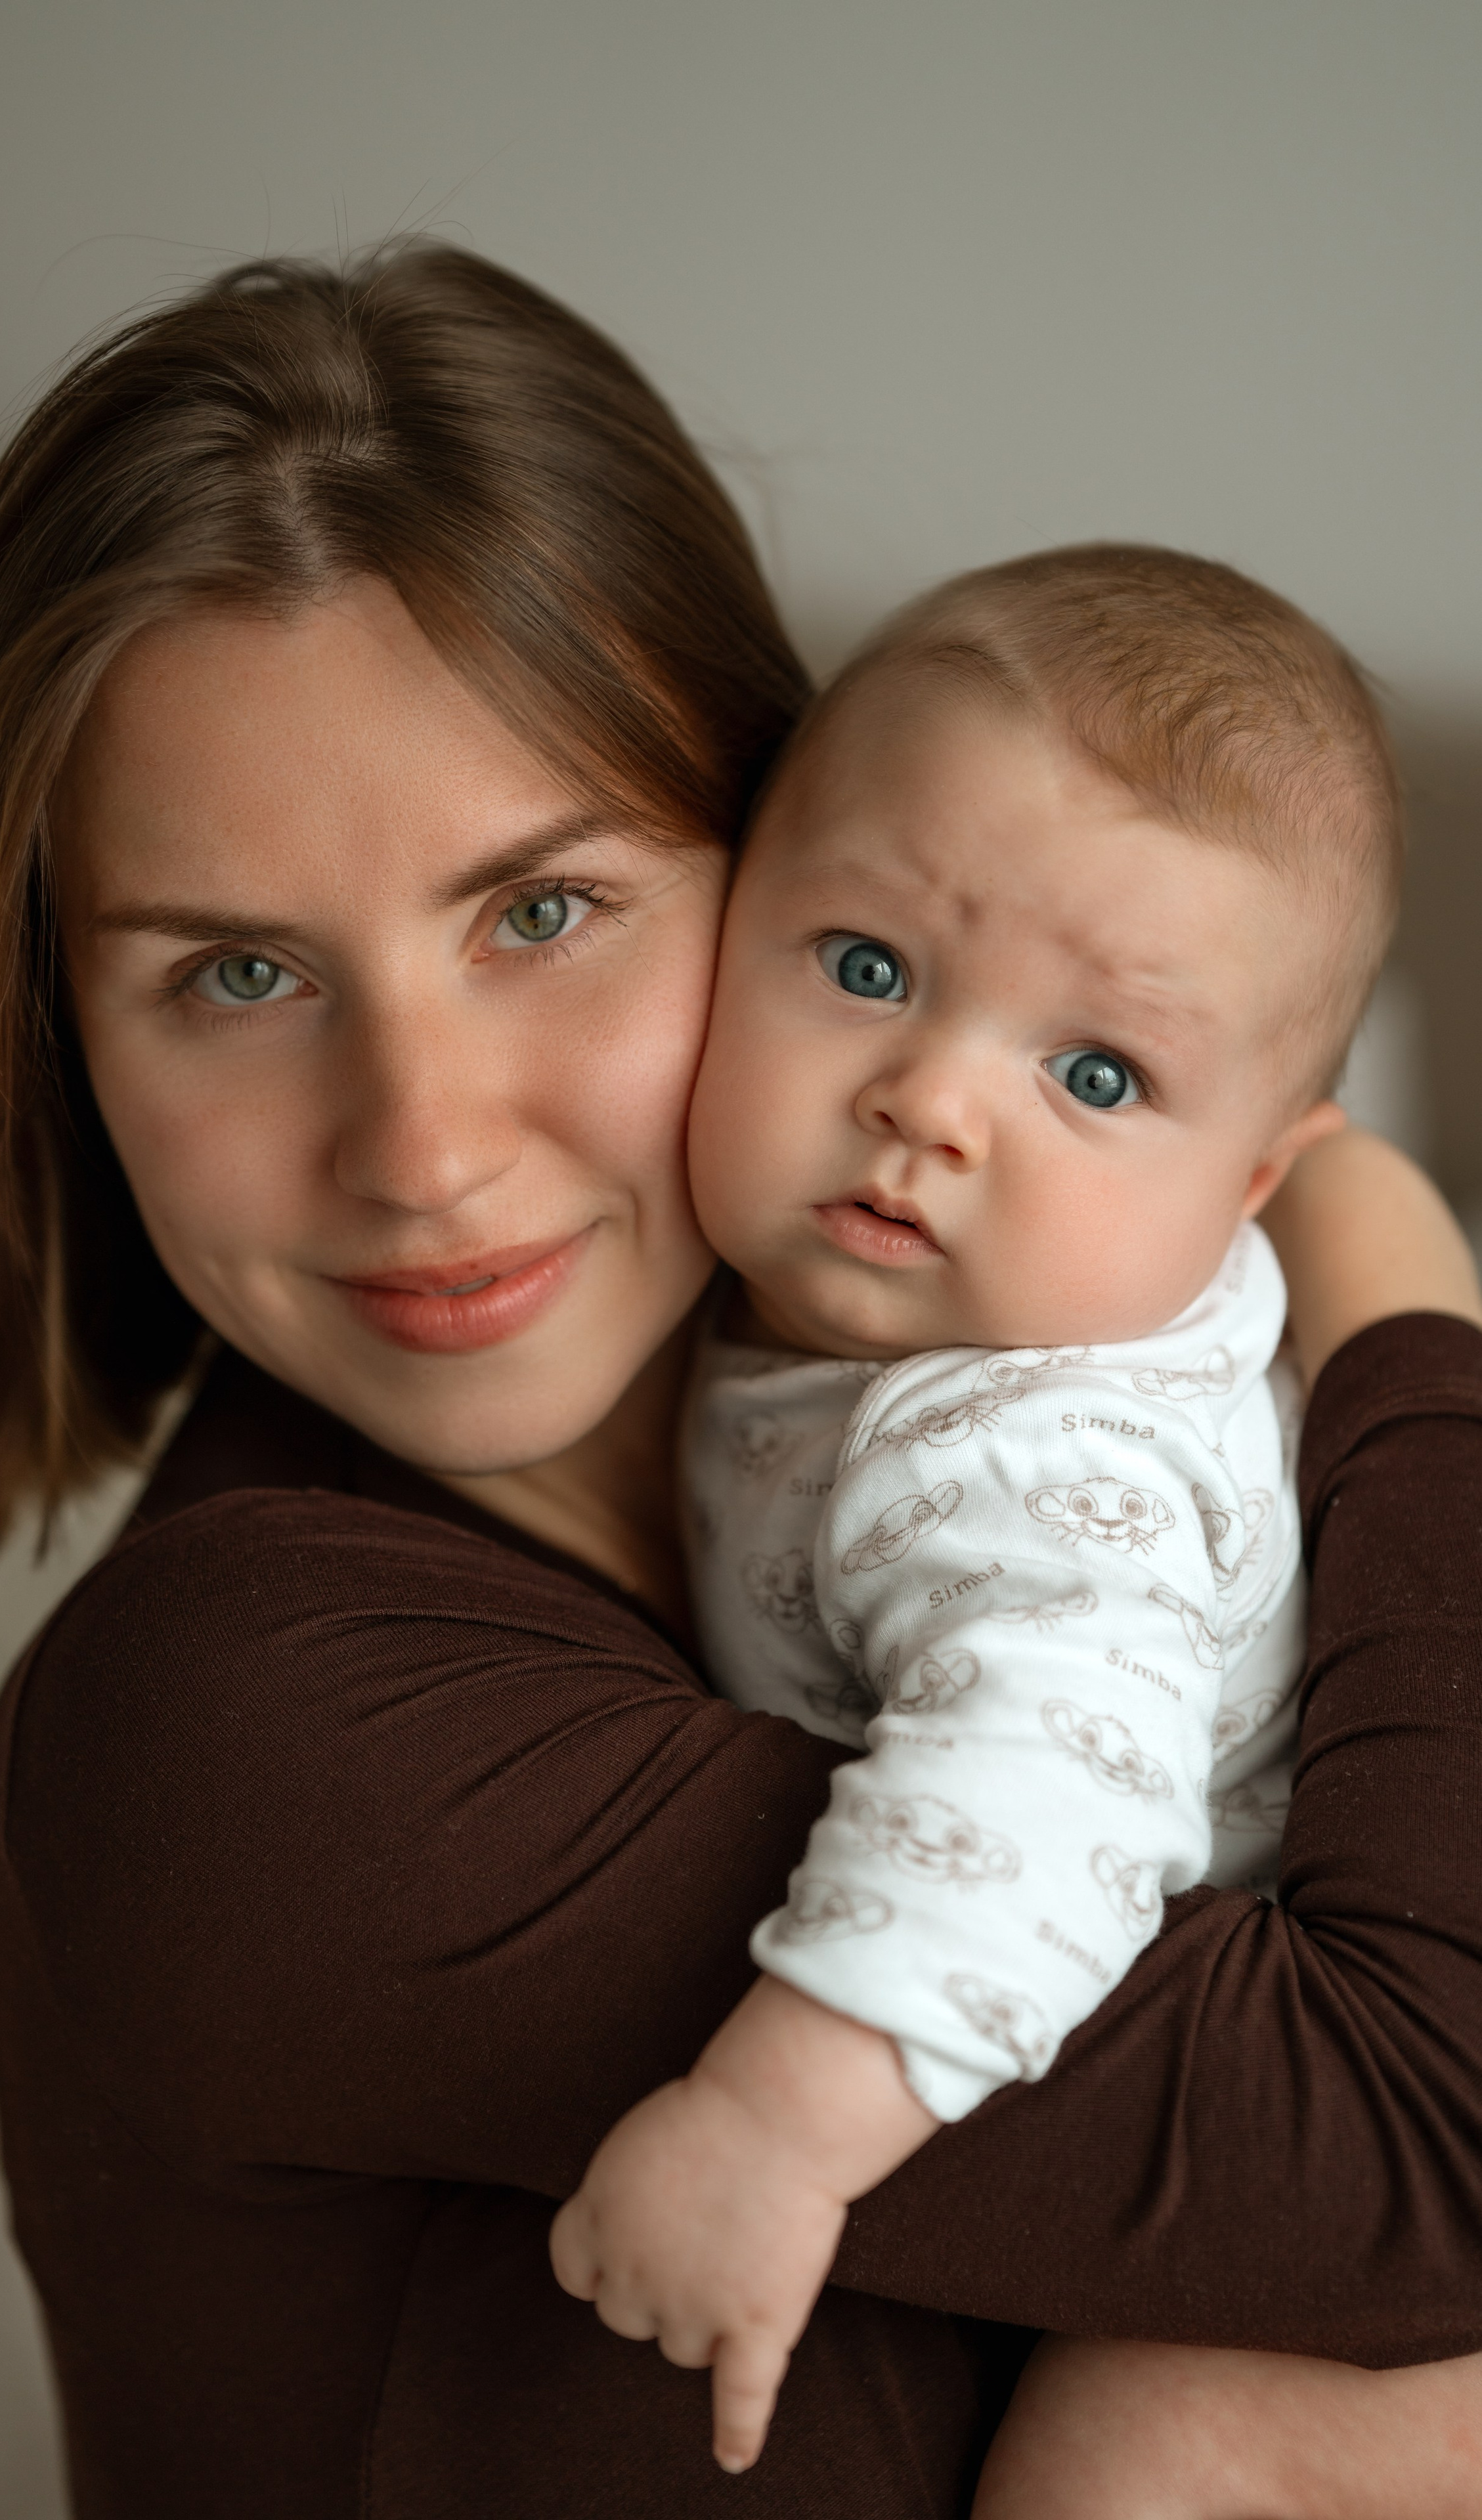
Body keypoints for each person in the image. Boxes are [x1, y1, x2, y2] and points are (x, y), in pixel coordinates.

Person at [0, 243, 1482, 2518]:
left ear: (780, 844)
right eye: (236, 972)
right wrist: (1398, 1287)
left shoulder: (911, 1427)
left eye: (539, 912)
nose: (423, 1150)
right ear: (65, 1036)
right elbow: (1433, 2131)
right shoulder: (248, 1730)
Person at [551, 544, 1482, 2509]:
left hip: (1409, 2172)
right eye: (870, 967)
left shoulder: (1037, 1458)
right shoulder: (775, 1303)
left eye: (1096, 1072)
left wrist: (774, 2132)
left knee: (1136, 2451)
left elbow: (1038, 1797)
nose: (934, 1102)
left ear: (1253, 1185)